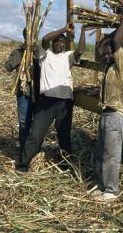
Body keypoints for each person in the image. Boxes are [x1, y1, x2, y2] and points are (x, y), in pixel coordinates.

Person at [16, 22, 89, 171]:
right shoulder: (45, 55)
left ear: (65, 44)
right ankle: (23, 163)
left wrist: (82, 31)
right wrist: (64, 29)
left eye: (62, 42)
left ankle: (66, 164)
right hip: (46, 102)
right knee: (36, 134)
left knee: (64, 135)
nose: (59, 43)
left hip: (64, 103)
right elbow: (45, 39)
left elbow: (80, 50)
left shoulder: (68, 56)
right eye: (57, 41)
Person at [91, 16, 123, 201]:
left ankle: (111, 191)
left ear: (116, 53)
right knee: (101, 153)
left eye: (109, 53)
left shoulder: (121, 66)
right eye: (106, 54)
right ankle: (102, 187)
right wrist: (105, 37)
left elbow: (116, 41)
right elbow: (100, 48)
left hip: (115, 115)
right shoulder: (107, 68)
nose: (106, 55)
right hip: (105, 114)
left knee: (111, 156)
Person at [5, 28, 40, 160]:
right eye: (28, 36)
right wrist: (21, 54)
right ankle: (23, 151)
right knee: (24, 123)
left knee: (37, 124)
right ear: (25, 36)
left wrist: (35, 53)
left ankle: (35, 150)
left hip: (39, 93)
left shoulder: (40, 51)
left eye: (33, 36)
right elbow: (8, 67)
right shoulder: (18, 51)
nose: (31, 38)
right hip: (24, 93)